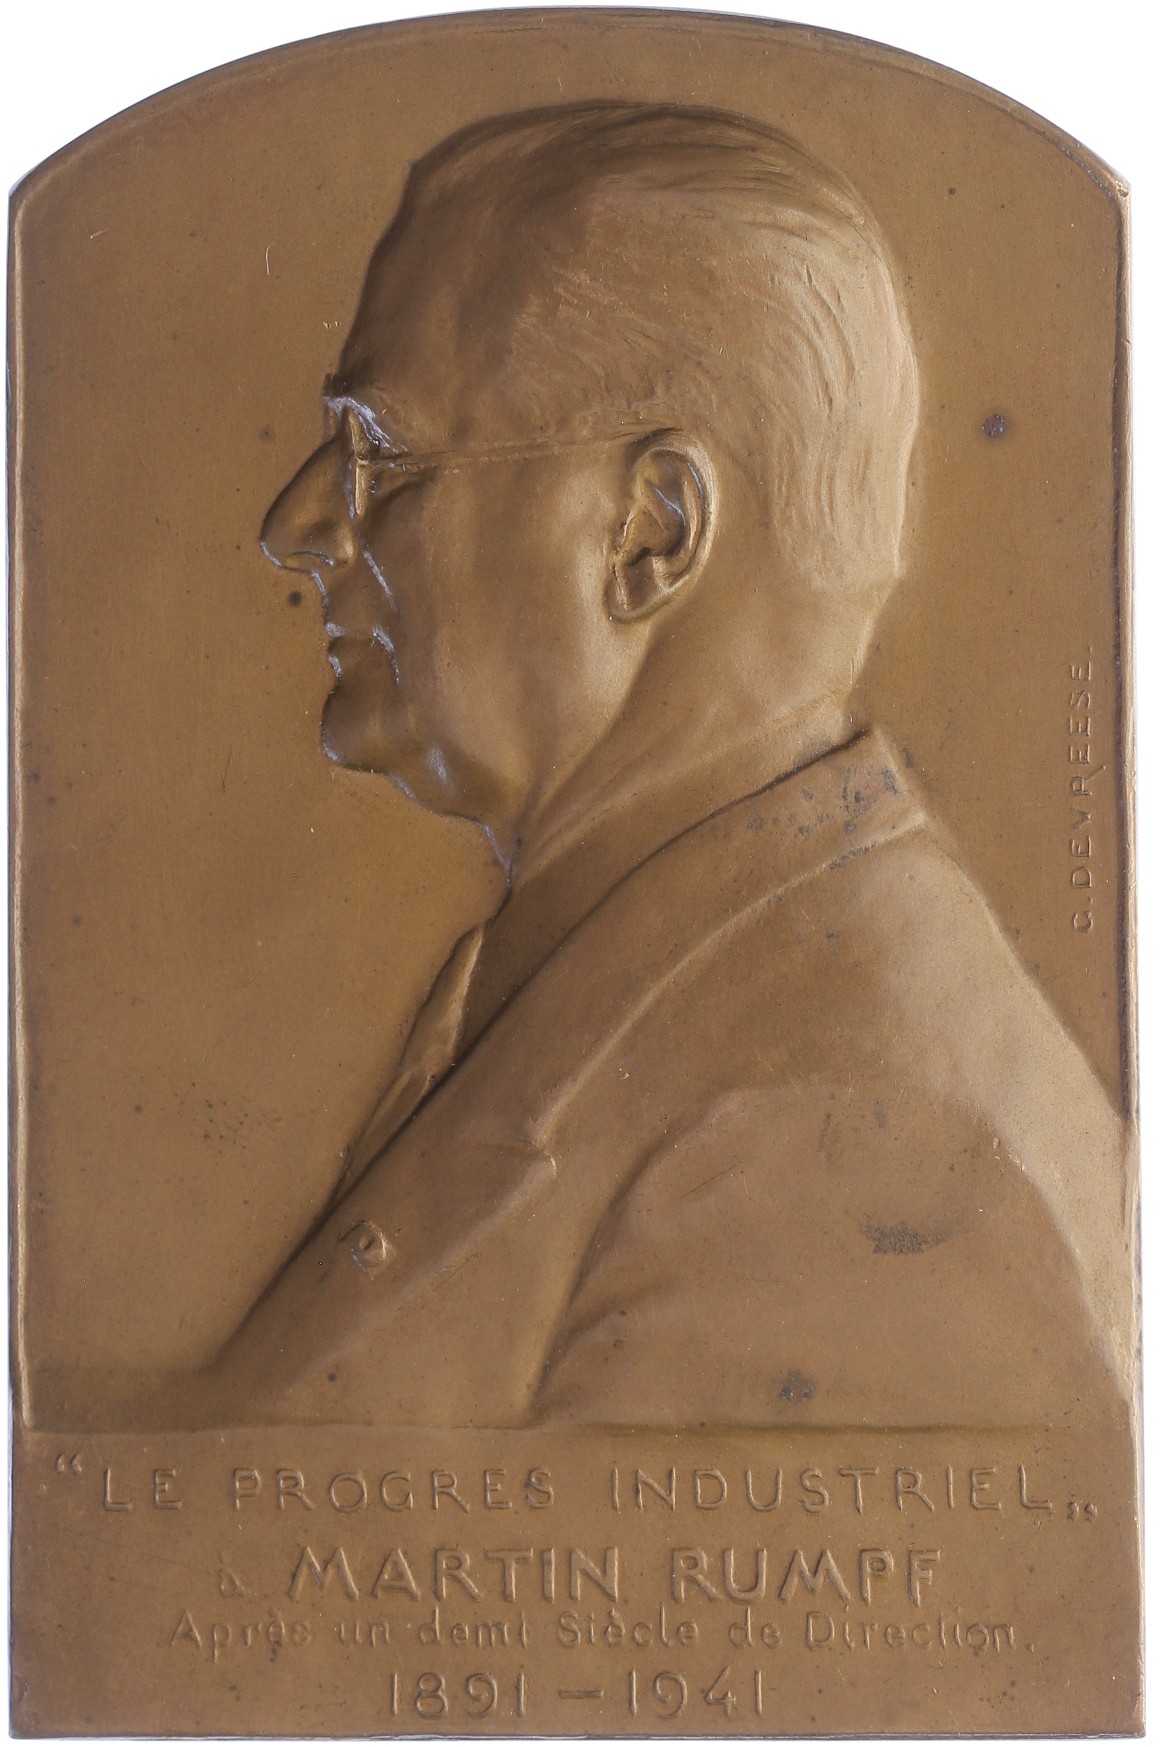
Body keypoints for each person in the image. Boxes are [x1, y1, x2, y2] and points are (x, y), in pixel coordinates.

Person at [204, 102, 1131, 1428]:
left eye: (380, 453)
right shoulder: (616, 969)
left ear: (653, 535)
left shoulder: (837, 1147)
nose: (297, 525)